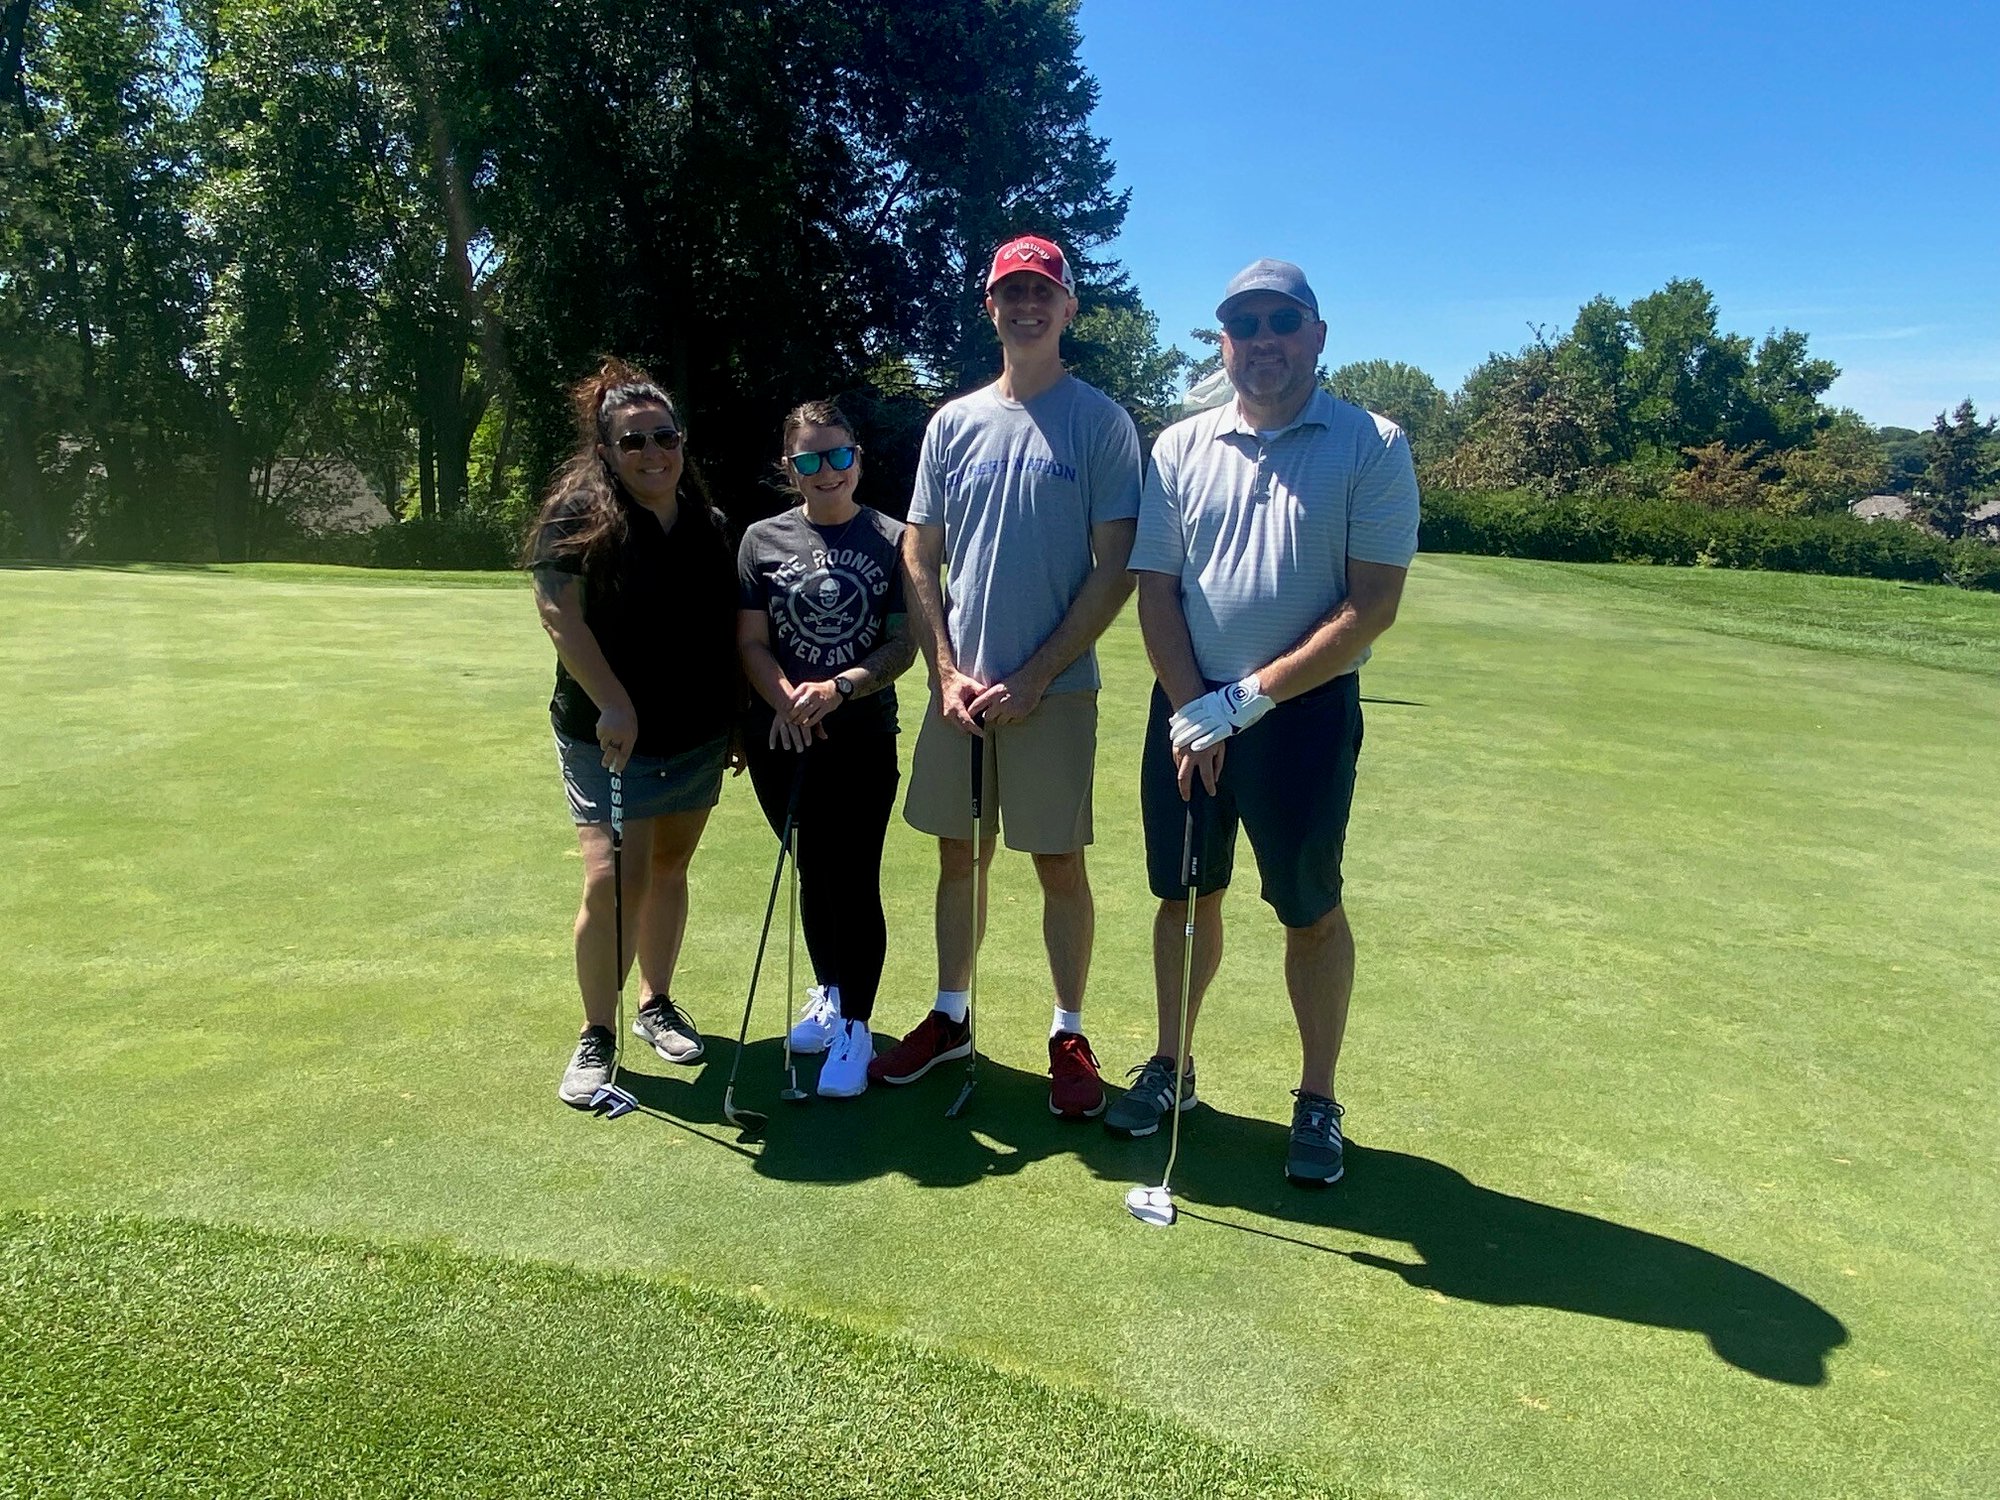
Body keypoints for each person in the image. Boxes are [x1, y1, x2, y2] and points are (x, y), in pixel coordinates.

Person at [1107, 259, 1420, 1186]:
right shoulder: (1180, 445)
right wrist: (1191, 708)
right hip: (1187, 706)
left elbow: (1371, 606)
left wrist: (1240, 704)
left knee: (1309, 910)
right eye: (1243, 324)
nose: (1263, 339)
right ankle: (1173, 1065)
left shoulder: (1373, 443)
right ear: (1225, 342)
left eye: (1282, 320)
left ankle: (1318, 1096)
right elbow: (1154, 589)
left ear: (1317, 334)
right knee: (1183, 897)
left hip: (1302, 718)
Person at [873, 233, 1143, 1119]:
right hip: (961, 694)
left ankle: (1069, 1030)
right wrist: (945, 670)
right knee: (961, 856)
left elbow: (1115, 567)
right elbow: (921, 550)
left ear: (1069, 309)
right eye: (1010, 292)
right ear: (990, 307)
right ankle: (951, 1017)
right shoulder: (953, 423)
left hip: (1053, 693)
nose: (1026, 305)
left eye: (1044, 292)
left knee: (1057, 864)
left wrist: (1033, 675)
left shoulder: (1101, 422)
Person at [526, 358, 741, 1108]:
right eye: (633, 442)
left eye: (665, 436)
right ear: (606, 450)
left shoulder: (706, 522)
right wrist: (613, 700)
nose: (653, 452)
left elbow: (722, 628)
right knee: (615, 878)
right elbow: (559, 614)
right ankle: (597, 1034)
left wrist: (736, 716)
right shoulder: (578, 515)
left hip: (695, 731)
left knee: (669, 868)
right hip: (605, 733)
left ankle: (655, 1004)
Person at [736, 400, 916, 1098]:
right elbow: (750, 641)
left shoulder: (895, 538)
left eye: (838, 456)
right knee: (812, 870)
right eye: (809, 460)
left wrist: (840, 687)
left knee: (853, 875)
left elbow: (903, 643)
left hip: (862, 733)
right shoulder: (761, 539)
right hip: (781, 733)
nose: (826, 471)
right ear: (791, 468)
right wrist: (786, 698)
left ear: (858, 459)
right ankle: (830, 990)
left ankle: (858, 1027)